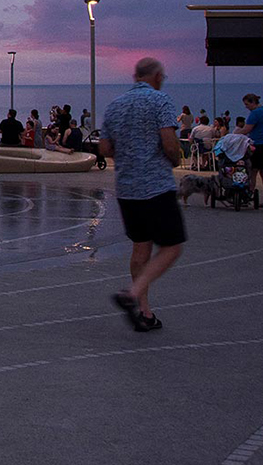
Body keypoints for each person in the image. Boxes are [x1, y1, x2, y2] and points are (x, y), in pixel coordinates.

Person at [98, 57, 184, 334]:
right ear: (157, 76)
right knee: (172, 246)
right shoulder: (161, 102)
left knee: (141, 247)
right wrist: (174, 160)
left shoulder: (114, 106)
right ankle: (132, 294)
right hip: (156, 185)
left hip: (127, 189)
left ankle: (144, 313)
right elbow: (169, 142)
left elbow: (105, 148)